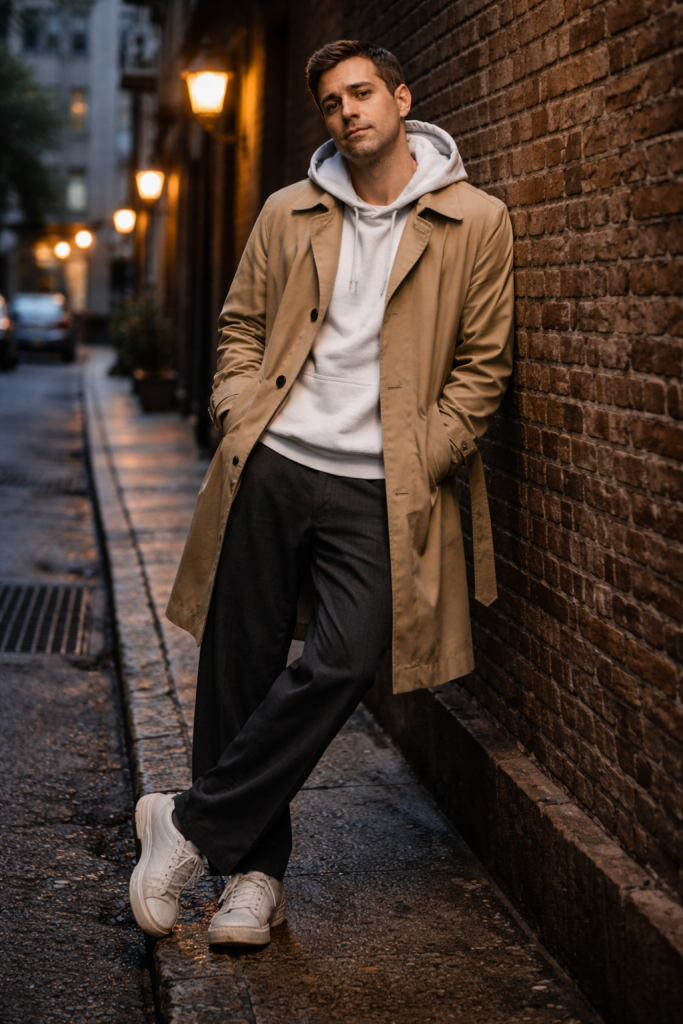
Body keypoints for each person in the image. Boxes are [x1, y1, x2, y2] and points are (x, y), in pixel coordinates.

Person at [129, 39, 514, 947]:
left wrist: (428, 454)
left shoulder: (476, 220)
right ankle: (253, 879)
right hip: (272, 463)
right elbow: (240, 327)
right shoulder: (288, 210)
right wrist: (235, 415)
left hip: (384, 483)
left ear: (401, 96)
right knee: (239, 666)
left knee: (344, 660)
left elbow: (482, 366)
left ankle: (182, 824)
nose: (348, 112)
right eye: (332, 101)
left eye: (362, 93)